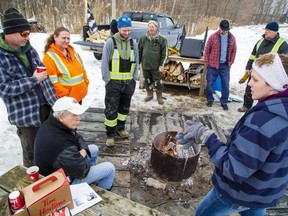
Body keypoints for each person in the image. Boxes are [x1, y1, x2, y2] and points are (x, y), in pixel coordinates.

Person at [177, 53, 288, 215]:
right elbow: (265, 147)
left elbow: (234, 169)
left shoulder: (261, 122)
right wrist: (240, 137)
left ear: (273, 85)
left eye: (256, 80)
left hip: (240, 192)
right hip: (266, 191)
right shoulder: (280, 111)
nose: (249, 83)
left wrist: (207, 137)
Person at [0, 8, 57, 167]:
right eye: (23, 34)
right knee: (32, 153)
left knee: (50, 144)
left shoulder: (29, 49)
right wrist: (32, 80)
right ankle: (35, 187)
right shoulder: (1, 56)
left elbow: (44, 76)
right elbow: (4, 89)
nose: (27, 37)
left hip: (46, 106)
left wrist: (55, 102)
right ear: (9, 33)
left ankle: (51, 178)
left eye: (28, 33)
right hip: (26, 115)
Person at [34, 96, 115, 190]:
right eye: (74, 115)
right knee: (109, 168)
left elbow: (77, 136)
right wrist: (82, 158)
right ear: (61, 117)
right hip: (60, 183)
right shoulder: (59, 143)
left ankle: (91, 180)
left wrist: (83, 151)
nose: (79, 118)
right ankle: (105, 194)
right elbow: (81, 170)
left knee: (93, 149)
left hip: (67, 167)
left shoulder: (55, 123)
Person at [101, 15, 139, 147]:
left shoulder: (133, 43)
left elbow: (137, 61)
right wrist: (107, 80)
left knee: (124, 109)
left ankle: (121, 128)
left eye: (129, 30)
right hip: (113, 84)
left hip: (129, 83)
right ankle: (110, 134)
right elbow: (104, 62)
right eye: (124, 30)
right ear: (118, 29)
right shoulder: (111, 42)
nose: (126, 33)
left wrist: (135, 78)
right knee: (111, 109)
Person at [238, 21, 288, 112]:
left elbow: (284, 62)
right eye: (266, 29)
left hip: (270, 76)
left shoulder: (283, 45)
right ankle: (246, 106)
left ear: (275, 32)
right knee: (250, 88)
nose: (266, 32)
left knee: (265, 94)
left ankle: (262, 109)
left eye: (268, 30)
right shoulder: (260, 41)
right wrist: (248, 67)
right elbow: (253, 55)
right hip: (256, 71)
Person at [43, 27, 89, 103]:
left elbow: (83, 70)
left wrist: (85, 83)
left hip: (78, 97)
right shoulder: (49, 58)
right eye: (63, 38)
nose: (66, 41)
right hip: (66, 100)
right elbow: (53, 82)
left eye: (68, 38)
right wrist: (67, 96)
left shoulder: (74, 53)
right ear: (55, 37)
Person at [204, 19, 237, 110]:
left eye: (226, 30)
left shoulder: (231, 38)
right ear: (220, 28)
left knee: (225, 84)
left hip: (225, 65)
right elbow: (207, 50)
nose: (225, 31)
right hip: (213, 65)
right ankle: (210, 100)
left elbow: (234, 50)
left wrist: (230, 62)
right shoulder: (213, 37)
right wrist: (207, 63)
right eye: (223, 29)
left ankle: (224, 102)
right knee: (210, 83)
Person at [138, 20, 168, 105]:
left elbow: (164, 53)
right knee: (147, 81)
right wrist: (138, 63)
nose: (151, 28)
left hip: (156, 67)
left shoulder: (162, 39)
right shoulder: (143, 38)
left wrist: (162, 65)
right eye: (150, 27)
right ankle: (149, 95)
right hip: (146, 65)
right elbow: (139, 51)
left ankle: (159, 97)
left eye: (153, 27)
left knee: (157, 82)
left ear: (156, 28)